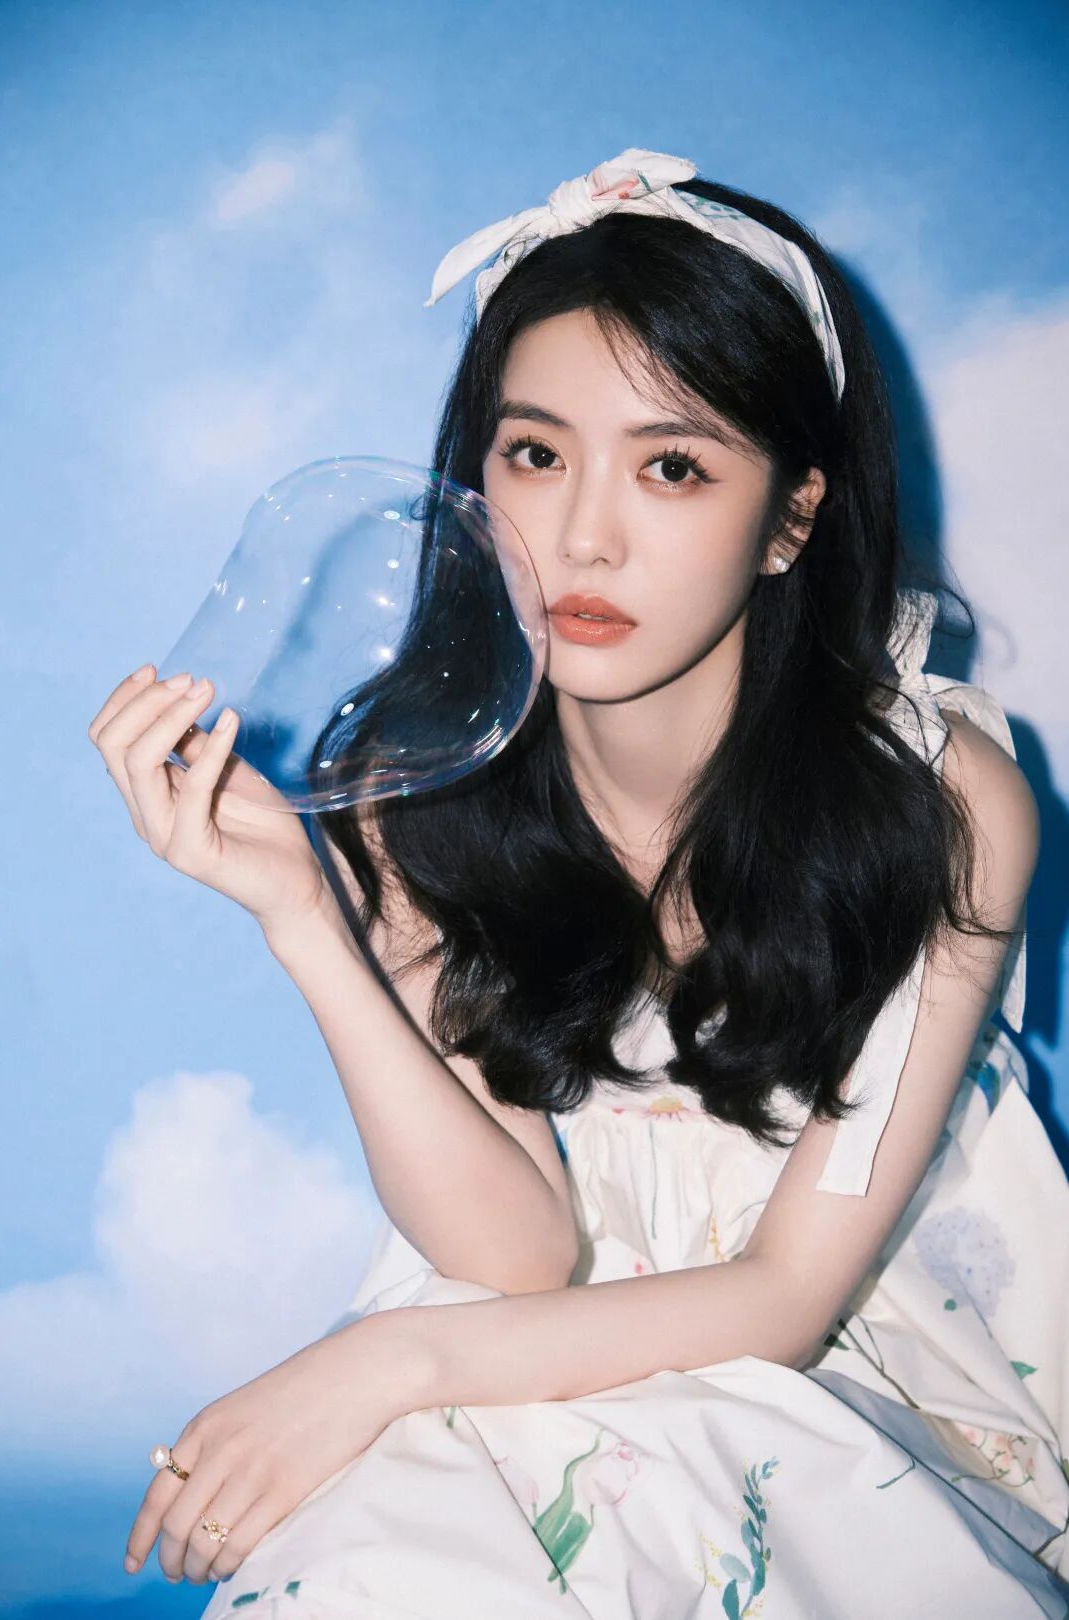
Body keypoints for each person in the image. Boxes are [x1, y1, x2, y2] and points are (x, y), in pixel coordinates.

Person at [89, 149, 1069, 1617]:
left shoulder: (937, 802)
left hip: (851, 1358)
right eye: (536, 455)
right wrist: (306, 919)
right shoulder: (420, 782)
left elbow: (786, 1302)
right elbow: (520, 1253)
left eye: (673, 467)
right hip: (514, 1330)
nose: (583, 537)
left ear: (793, 517)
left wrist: (381, 1360)